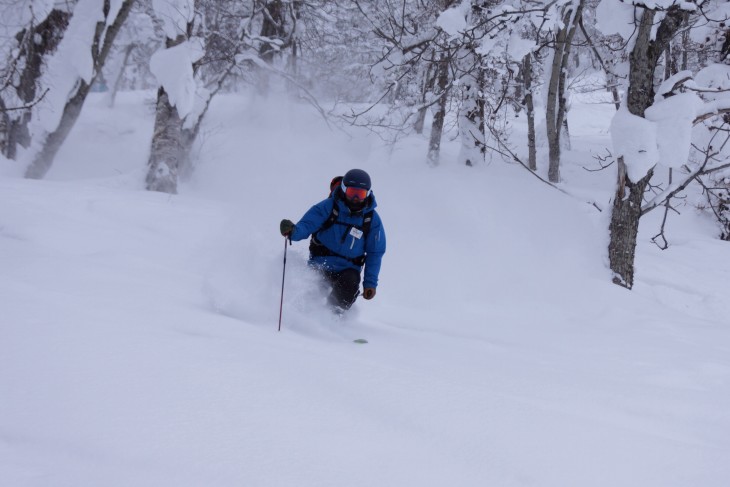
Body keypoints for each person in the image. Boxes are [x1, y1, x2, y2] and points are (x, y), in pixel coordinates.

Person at [280, 169, 386, 313]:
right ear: (343, 190)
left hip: (348, 270)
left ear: (367, 194)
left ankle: (332, 319)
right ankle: (301, 315)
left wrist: (370, 283)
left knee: (349, 284)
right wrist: (293, 232)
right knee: (312, 291)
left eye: (360, 194)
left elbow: (375, 252)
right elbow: (307, 225)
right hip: (321, 263)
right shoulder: (328, 207)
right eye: (351, 192)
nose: (356, 198)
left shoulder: (371, 220)